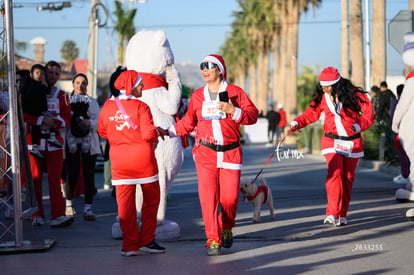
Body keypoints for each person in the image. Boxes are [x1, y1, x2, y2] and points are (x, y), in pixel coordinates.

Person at [159, 54, 258, 256]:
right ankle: (213, 239)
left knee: (229, 200)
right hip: (205, 153)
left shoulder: (235, 92)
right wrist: (167, 131)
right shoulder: (197, 96)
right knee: (208, 199)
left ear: (220, 70)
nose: (204, 69)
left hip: (230, 153)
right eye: (202, 66)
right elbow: (188, 123)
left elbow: (253, 116)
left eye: (209, 66)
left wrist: (234, 110)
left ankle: (227, 227)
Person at [290, 67, 374, 227]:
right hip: (331, 141)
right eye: (322, 86)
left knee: (347, 178)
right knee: (335, 174)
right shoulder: (321, 97)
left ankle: (342, 215)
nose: (324, 89)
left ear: (337, 84)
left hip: (352, 142)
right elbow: (311, 113)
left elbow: (369, 114)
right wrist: (297, 122)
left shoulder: (355, 95)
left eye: (327, 86)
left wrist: (359, 125)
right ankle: (331, 213)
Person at [98, 70, 166, 256]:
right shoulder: (141, 107)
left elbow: (103, 132)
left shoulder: (107, 107)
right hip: (144, 162)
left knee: (125, 206)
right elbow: (148, 135)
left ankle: (129, 246)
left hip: (120, 164)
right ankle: (147, 241)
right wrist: (156, 131)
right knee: (151, 201)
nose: (143, 86)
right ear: (132, 85)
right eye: (140, 84)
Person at [23, 60, 73, 227]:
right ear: (43, 73)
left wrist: (53, 122)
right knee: (35, 181)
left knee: (54, 180)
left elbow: (67, 119)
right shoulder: (31, 91)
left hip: (55, 144)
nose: (53, 76)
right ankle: (37, 214)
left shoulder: (64, 96)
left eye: (56, 73)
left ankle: (57, 215)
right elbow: (23, 114)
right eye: (50, 72)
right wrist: (40, 120)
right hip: (35, 144)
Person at [63, 73, 101, 221]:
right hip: (71, 142)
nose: (80, 85)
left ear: (87, 85)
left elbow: (99, 122)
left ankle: (88, 209)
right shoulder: (66, 101)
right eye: (77, 82)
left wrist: (89, 123)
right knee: (70, 175)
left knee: (89, 175)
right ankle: (68, 205)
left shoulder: (92, 102)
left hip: (89, 142)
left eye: (83, 83)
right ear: (73, 84)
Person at [20, 64, 62, 159]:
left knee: (39, 127)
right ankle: (51, 137)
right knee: (49, 118)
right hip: (34, 110)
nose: (40, 75)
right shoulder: (28, 84)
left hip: (39, 111)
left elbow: (46, 92)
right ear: (31, 74)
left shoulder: (41, 85)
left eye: (42, 74)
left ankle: (39, 145)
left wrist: (45, 85)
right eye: (37, 73)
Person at [390, 84, 410, 185]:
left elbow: (394, 118)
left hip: (400, 132)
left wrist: (394, 128)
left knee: (402, 155)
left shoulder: (398, 103)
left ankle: (405, 175)